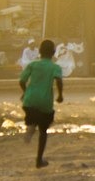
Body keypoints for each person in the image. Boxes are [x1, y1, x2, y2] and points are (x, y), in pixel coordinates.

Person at [19, 39, 64, 169]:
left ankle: (31, 126)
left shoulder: (33, 65)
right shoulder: (55, 67)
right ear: (54, 52)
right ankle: (39, 160)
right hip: (45, 102)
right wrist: (60, 95)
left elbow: (22, 81)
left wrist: (26, 92)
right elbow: (59, 80)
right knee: (43, 131)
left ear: (39, 51)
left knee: (33, 114)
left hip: (29, 100)